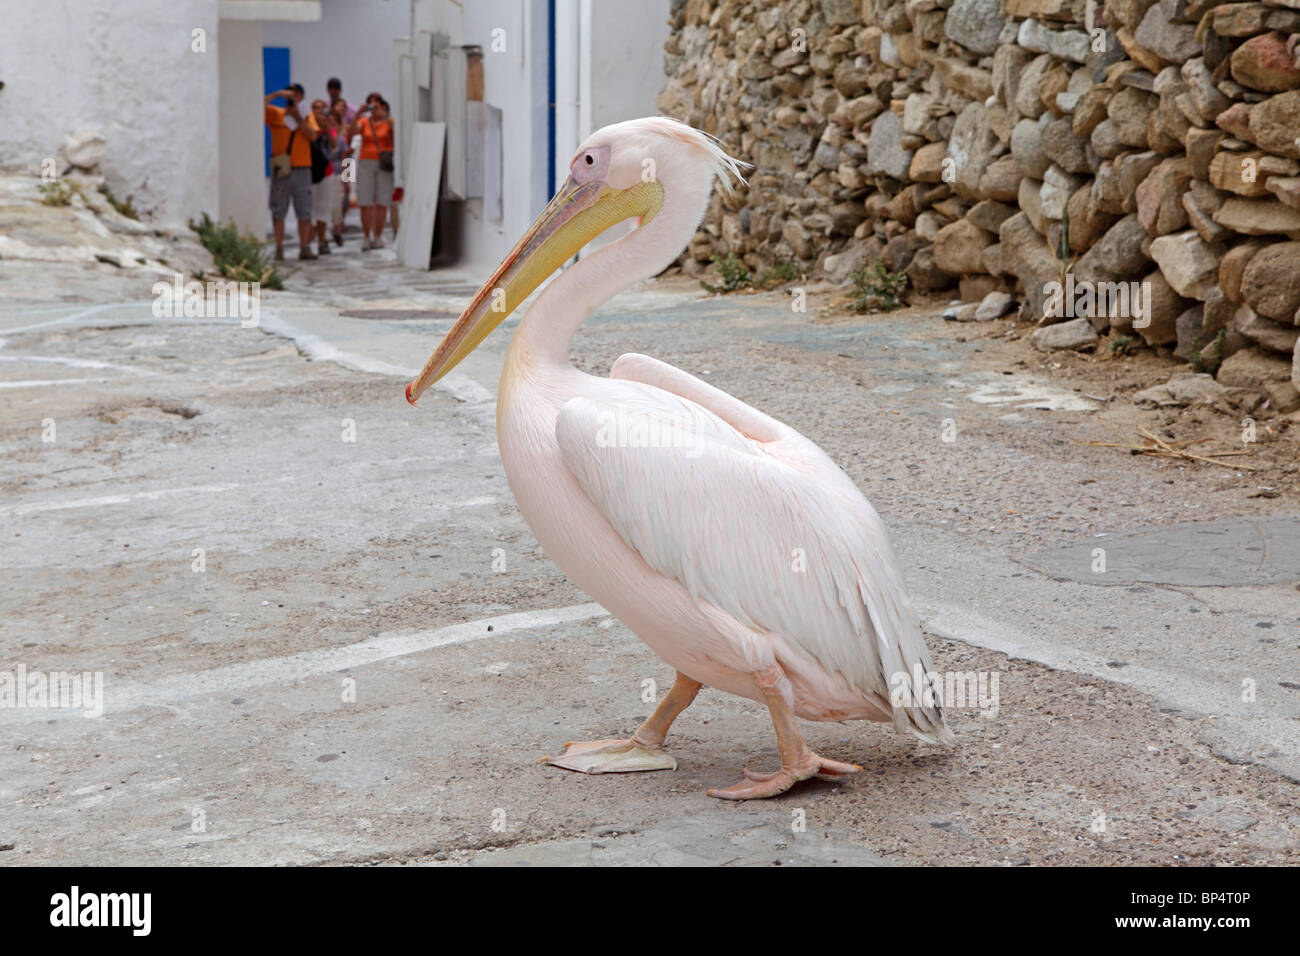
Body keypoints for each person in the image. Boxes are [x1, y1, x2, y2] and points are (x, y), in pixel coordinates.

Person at [265, 83, 320, 261]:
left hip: (302, 167)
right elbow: (253, 106)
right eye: (290, 96)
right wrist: (276, 94)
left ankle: (304, 247)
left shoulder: (307, 117)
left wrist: (298, 118)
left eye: (296, 96)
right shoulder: (275, 114)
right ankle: (279, 248)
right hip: (282, 168)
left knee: (304, 210)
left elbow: (313, 135)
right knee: (278, 209)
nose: (292, 100)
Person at [347, 95, 395, 250]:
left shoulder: (389, 122)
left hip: (384, 162)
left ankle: (378, 236)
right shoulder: (364, 122)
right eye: (371, 105)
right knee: (365, 201)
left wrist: (385, 117)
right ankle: (366, 236)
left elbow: (396, 137)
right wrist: (357, 114)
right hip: (366, 162)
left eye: (377, 105)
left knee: (382, 200)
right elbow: (352, 134)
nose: (373, 109)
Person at [326, 77, 358, 243]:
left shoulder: (351, 110)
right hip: (336, 159)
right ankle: (337, 222)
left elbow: (355, 129)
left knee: (347, 192)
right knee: (336, 194)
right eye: (330, 88)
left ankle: (342, 220)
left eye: (335, 88)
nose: (333, 91)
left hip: (348, 157)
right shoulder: (326, 110)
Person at [309, 99, 338, 256]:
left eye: (321, 108)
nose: (318, 111)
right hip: (311, 172)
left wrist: (327, 126)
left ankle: (322, 241)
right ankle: (307, 242)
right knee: (311, 211)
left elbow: (335, 145)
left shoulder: (329, 127)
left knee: (324, 210)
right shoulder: (308, 126)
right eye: (315, 108)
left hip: (328, 171)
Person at [328, 99, 353, 246]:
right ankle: (334, 229)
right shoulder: (324, 133)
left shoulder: (346, 131)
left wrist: (348, 178)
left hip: (343, 168)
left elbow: (348, 156)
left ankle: (338, 227)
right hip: (328, 172)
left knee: (341, 202)